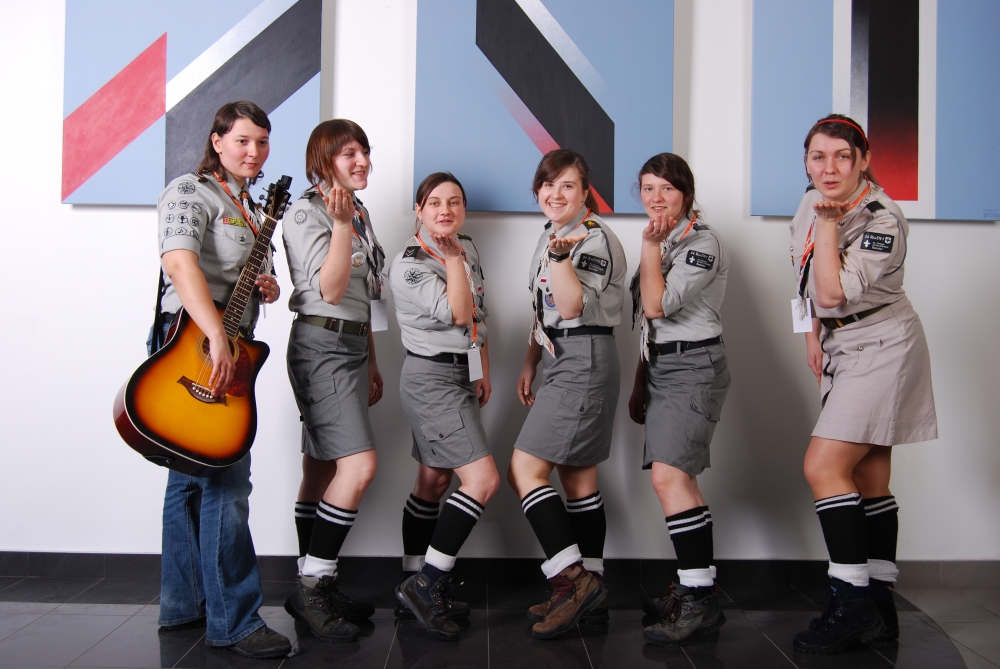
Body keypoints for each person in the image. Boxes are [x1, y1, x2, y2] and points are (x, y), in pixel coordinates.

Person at [789, 114, 937, 654]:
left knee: (823, 466)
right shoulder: (811, 200)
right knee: (870, 474)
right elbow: (802, 274)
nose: (829, 168)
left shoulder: (882, 219)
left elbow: (833, 293)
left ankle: (850, 603)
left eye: (842, 156)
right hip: (839, 344)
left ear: (864, 160)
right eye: (818, 157)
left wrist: (830, 225)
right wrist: (810, 335)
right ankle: (878, 607)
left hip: (882, 344)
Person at [154, 100, 290, 658]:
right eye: (242, 141)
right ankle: (235, 621)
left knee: (189, 478)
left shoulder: (250, 207)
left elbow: (251, 271)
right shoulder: (190, 191)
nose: (254, 152)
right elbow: (179, 263)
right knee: (228, 481)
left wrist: (268, 286)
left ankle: (182, 605)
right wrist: (215, 334)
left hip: (232, 339)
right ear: (217, 141)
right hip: (192, 339)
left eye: (262, 141)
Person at [507, 149, 628, 639]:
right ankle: (589, 599)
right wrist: (531, 361)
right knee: (578, 480)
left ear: (585, 192)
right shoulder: (551, 234)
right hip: (561, 356)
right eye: (547, 184)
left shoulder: (592, 238)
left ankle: (576, 582)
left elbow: (573, 306)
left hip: (585, 358)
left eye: (568, 186)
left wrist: (561, 257)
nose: (555, 194)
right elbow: (544, 308)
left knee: (524, 470)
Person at [280, 119, 385, 643]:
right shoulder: (308, 211)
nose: (362, 161)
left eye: (365, 151)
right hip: (320, 346)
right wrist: (341, 226)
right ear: (323, 160)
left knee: (321, 465)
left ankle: (315, 580)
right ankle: (312, 585)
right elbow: (331, 289)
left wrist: (371, 359)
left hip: (351, 345)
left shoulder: (357, 210)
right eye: (349, 153)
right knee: (359, 466)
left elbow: (365, 294)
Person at [625, 153, 731, 645]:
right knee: (680, 480)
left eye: (666, 188)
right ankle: (696, 590)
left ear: (686, 193)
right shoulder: (664, 239)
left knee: (669, 479)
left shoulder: (702, 242)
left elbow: (657, 305)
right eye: (648, 189)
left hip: (694, 366)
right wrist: (641, 378)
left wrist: (649, 246)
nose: (656, 198)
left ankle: (698, 602)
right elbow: (649, 326)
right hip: (664, 366)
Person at [390, 172, 500, 642]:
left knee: (433, 481)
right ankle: (425, 585)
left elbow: (478, 312)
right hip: (431, 379)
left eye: (454, 202)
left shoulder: (466, 246)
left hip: (460, 372)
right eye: (434, 202)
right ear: (419, 210)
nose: (445, 210)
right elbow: (456, 312)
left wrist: (482, 369)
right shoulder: (409, 264)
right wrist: (453, 260)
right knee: (483, 481)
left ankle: (411, 582)